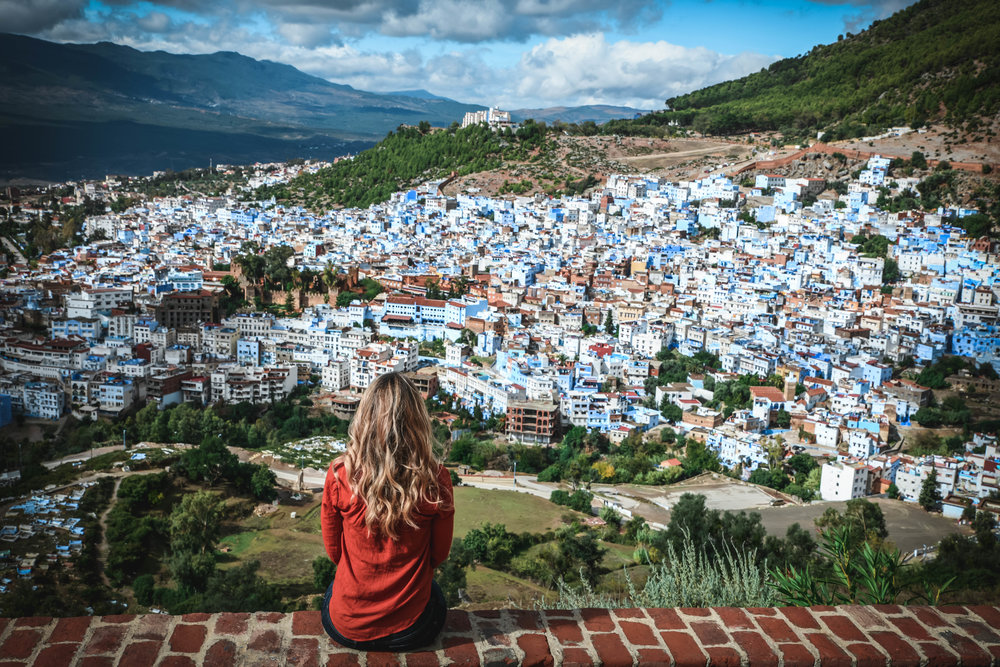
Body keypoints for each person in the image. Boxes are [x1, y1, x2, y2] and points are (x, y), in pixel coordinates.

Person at [320, 372, 455, 651]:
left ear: (364, 419)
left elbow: (335, 553)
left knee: (334, 590)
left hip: (348, 626)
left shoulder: (340, 475)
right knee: (437, 594)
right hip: (413, 629)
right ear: (417, 422)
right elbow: (437, 556)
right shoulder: (435, 479)